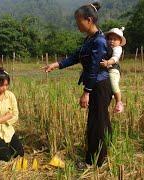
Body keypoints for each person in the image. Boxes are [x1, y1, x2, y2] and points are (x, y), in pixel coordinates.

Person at [43, 2, 113, 167]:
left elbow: (94, 68)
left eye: (78, 21)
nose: (77, 25)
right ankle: (101, 155)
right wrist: (57, 64)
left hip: (99, 85)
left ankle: (95, 162)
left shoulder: (99, 41)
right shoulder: (90, 39)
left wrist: (86, 92)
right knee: (98, 121)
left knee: (97, 124)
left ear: (89, 20)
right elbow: (76, 56)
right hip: (96, 84)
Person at [100, 27, 126, 113]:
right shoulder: (106, 48)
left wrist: (107, 62)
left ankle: (119, 102)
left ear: (120, 42)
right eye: (110, 39)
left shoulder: (118, 49)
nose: (112, 41)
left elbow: (115, 58)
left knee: (114, 84)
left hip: (113, 70)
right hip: (106, 69)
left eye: (115, 39)